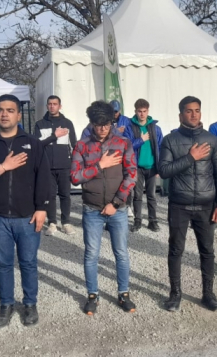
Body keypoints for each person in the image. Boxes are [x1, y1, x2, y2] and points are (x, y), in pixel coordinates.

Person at [0, 94, 49, 328]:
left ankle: (30, 304)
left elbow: (44, 178)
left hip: (27, 216)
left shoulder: (32, 143)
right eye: (0, 110)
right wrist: (2, 167)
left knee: (28, 262)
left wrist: (42, 208)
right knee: (3, 263)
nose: (4, 114)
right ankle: (6, 305)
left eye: (10, 110)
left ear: (18, 115)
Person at [159, 96, 217, 312]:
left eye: (197, 110)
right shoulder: (170, 140)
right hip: (179, 204)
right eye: (189, 111)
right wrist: (190, 157)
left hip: (207, 206)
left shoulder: (212, 140)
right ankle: (175, 294)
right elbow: (164, 171)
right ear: (181, 115)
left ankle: (208, 294)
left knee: (207, 250)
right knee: (176, 250)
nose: (194, 114)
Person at [71, 101, 138, 315]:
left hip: (117, 209)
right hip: (92, 210)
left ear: (112, 122)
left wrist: (116, 203)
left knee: (121, 253)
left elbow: (132, 175)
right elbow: (75, 177)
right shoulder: (81, 146)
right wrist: (100, 165)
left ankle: (123, 293)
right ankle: (93, 295)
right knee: (91, 254)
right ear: (91, 123)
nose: (102, 129)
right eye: (98, 124)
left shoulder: (123, 143)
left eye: (106, 124)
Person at [35, 95, 77, 236]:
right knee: (50, 195)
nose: (52, 106)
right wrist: (54, 135)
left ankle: (66, 223)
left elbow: (74, 145)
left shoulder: (68, 123)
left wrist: (75, 164)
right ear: (47, 106)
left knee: (65, 195)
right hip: (46, 167)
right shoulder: (40, 124)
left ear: (60, 106)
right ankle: (52, 223)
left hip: (65, 166)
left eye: (55, 104)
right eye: (50, 104)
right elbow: (37, 145)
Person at [124, 98, 163, 232]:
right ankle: (137, 220)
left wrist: (159, 166)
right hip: (137, 167)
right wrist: (141, 140)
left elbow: (160, 147)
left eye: (144, 111)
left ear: (148, 111)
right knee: (137, 195)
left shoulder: (155, 128)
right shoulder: (130, 127)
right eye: (139, 111)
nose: (142, 114)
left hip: (152, 167)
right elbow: (127, 147)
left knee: (152, 195)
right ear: (135, 111)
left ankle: (153, 221)